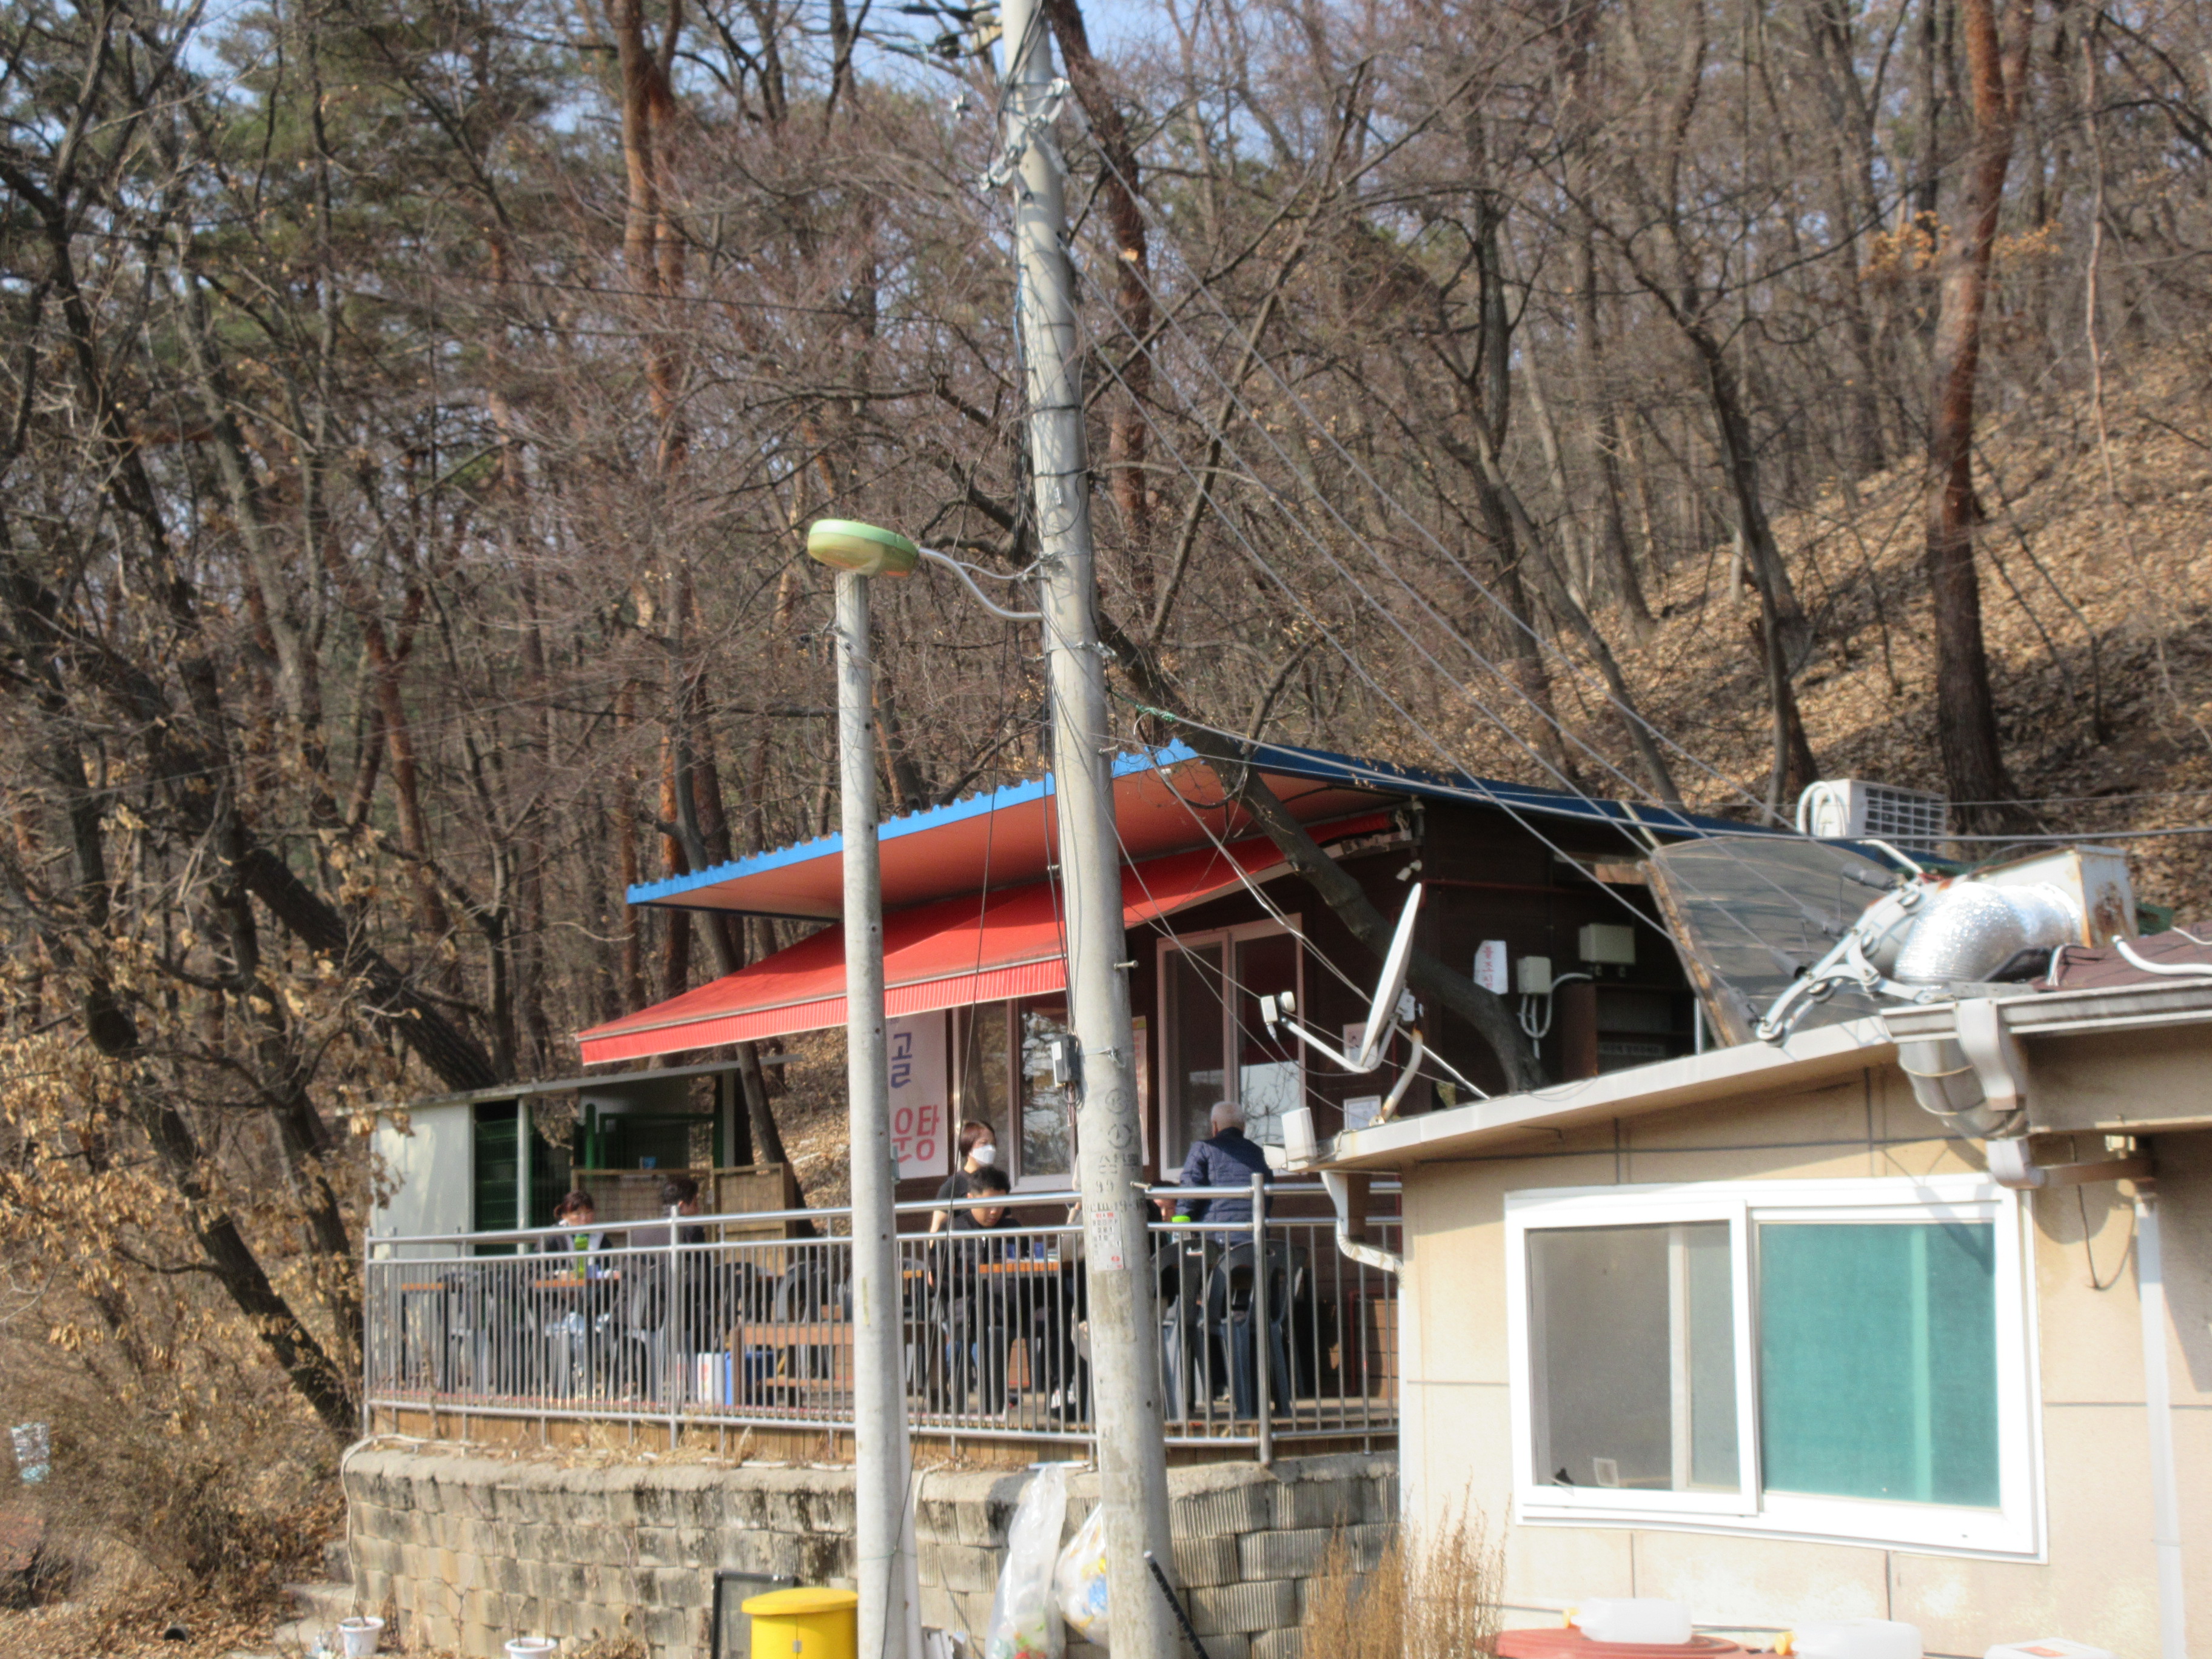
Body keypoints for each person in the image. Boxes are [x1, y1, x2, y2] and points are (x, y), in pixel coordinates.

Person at [937, 1164, 1023, 1412]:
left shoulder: (1013, 1229)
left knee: (988, 1336)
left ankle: (991, 1406)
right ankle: (962, 1406)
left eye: (1001, 1204)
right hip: (963, 1310)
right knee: (963, 1341)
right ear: (970, 1199)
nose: (995, 1211)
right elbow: (939, 1276)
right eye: (988, 1204)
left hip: (1003, 1310)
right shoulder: (953, 1229)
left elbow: (1025, 1269)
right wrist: (966, 1281)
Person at [1175, 1101, 1272, 1232]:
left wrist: (1181, 1225)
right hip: (1254, 1235)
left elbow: (1189, 1191)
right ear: (1243, 1127)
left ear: (1214, 1126)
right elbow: (1268, 1195)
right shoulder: (1258, 1153)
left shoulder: (1203, 1148)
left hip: (1216, 1235)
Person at [928, 1121, 1000, 1234]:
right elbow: (937, 1228)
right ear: (968, 1145)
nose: (990, 1148)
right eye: (984, 1143)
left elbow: (1007, 1219)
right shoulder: (954, 1184)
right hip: (966, 1244)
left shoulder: (997, 1181)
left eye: (993, 1144)